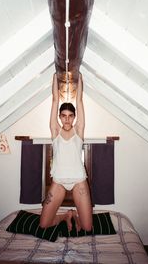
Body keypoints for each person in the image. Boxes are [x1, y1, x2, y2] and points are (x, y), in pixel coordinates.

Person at [40, 73, 92, 232]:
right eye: (63, 116)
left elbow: (79, 100)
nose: (67, 120)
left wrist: (80, 81)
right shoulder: (55, 131)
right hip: (59, 182)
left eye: (70, 116)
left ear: (75, 117)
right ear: (59, 117)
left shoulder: (79, 131)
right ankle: (66, 215)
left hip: (79, 181)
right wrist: (55, 77)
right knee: (43, 225)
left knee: (87, 227)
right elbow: (55, 100)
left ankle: (75, 216)